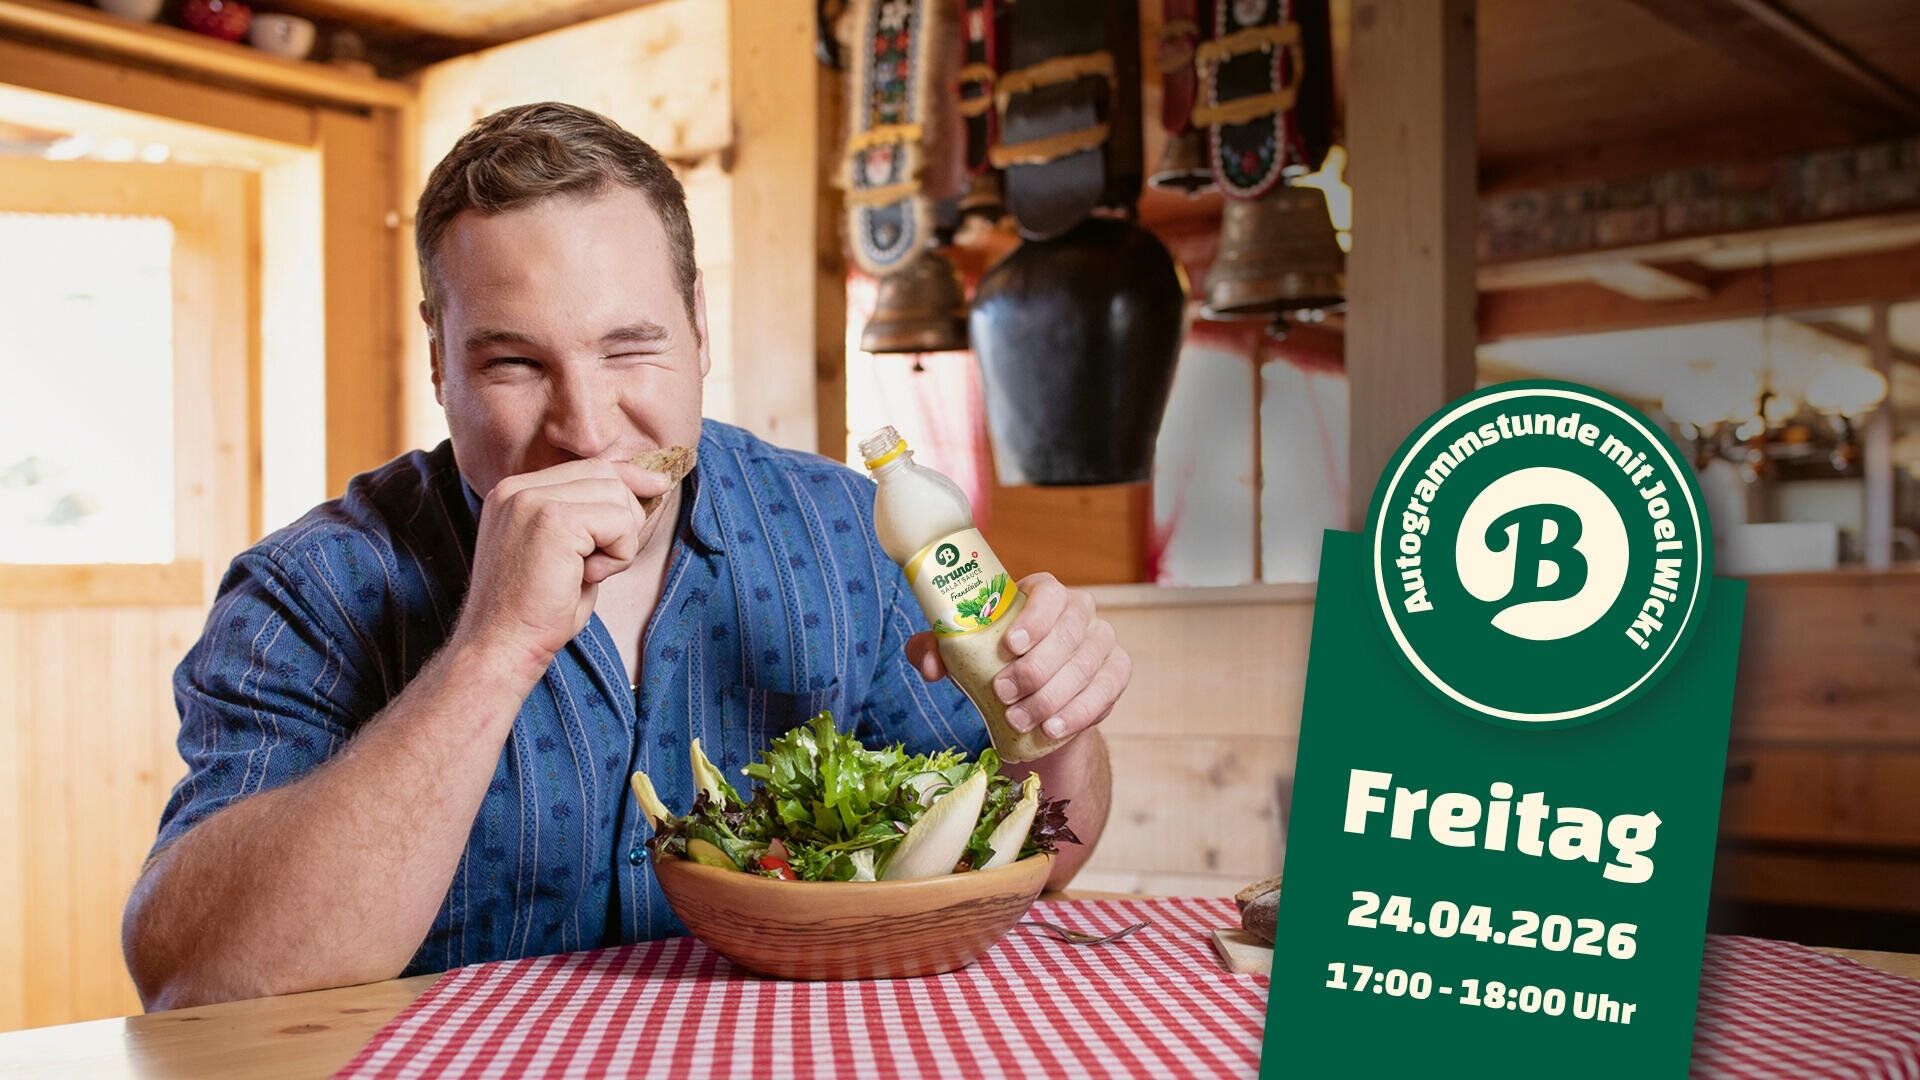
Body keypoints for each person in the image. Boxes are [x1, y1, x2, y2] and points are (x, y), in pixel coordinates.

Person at [121, 102, 1125, 1010]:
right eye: (514, 362)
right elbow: (201, 973)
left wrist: (1054, 722)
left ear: (697, 325)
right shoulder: (308, 590)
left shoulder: (844, 528)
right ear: (439, 359)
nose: (587, 426)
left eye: (630, 347)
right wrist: (494, 648)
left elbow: (1039, 850)